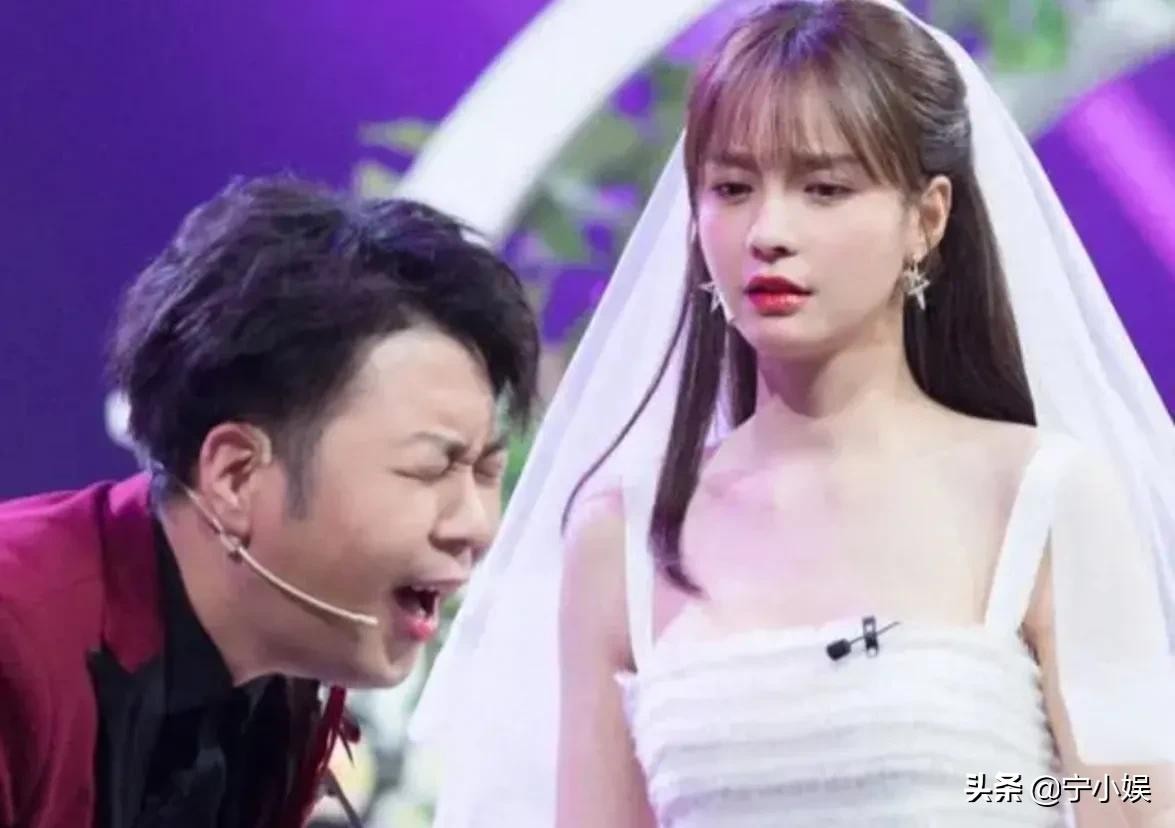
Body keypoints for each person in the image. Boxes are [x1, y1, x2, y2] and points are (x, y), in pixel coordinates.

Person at [411, 1, 1175, 826]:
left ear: (926, 218)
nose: (768, 232)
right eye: (732, 189)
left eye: (824, 189)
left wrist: (976, 794)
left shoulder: (1041, 495)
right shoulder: (621, 535)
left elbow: (1127, 797)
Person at [0, 176, 539, 828]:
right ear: (235, 476)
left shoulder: (282, 683)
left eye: (485, 471)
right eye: (431, 468)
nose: (476, 527)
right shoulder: (17, 639)